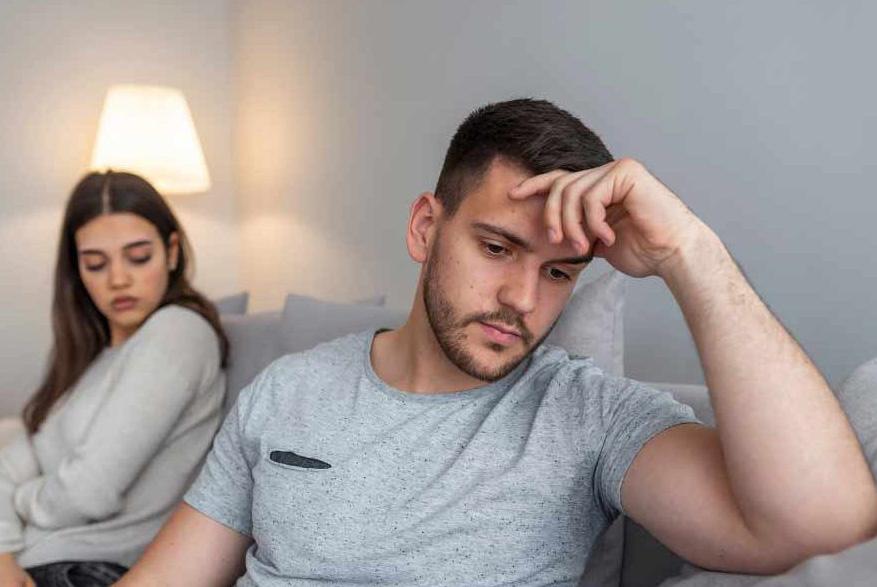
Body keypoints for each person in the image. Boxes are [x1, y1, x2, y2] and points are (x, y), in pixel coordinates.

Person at [120, 99, 877, 586]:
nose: (522, 297)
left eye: (558, 271)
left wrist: (690, 252)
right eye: (496, 248)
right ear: (426, 228)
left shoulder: (589, 416)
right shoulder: (287, 389)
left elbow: (823, 523)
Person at [0, 171, 229, 587]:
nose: (118, 279)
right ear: (77, 269)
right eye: (96, 263)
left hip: (86, 568)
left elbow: (87, 493)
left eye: (138, 257)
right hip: (36, 561)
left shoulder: (177, 332)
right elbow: (12, 464)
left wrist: (21, 500)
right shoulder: (87, 358)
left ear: (172, 251)